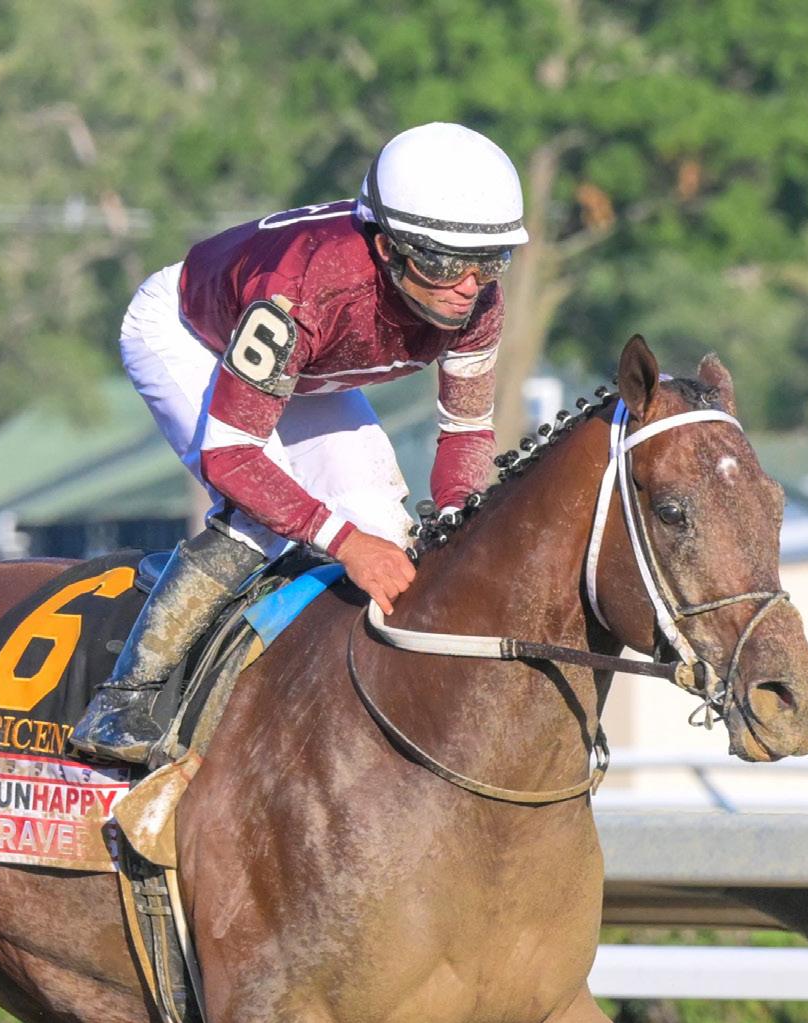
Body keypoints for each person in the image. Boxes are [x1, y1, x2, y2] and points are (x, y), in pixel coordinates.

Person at [69, 121, 528, 765]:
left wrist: (460, 521)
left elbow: (466, 431)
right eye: (443, 262)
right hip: (190, 335)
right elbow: (232, 457)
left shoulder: (479, 303)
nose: (467, 286)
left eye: (489, 261)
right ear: (388, 247)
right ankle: (124, 698)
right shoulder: (304, 289)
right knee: (267, 517)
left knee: (387, 529)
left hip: (307, 368)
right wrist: (344, 542)